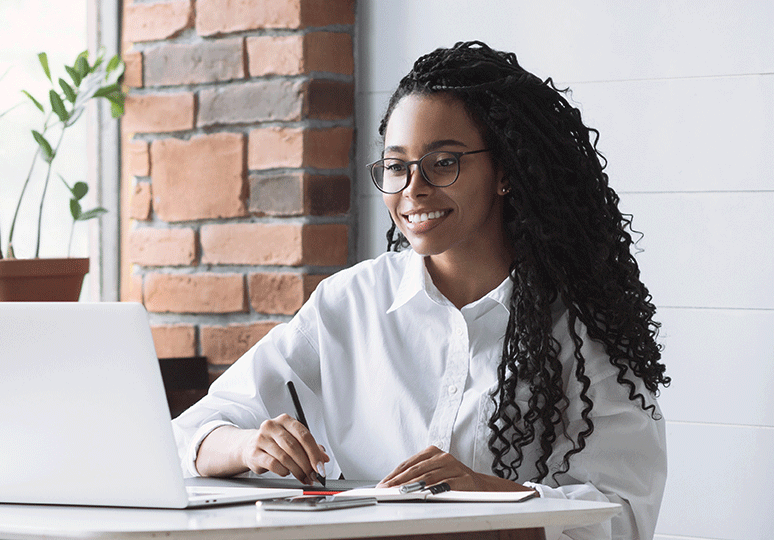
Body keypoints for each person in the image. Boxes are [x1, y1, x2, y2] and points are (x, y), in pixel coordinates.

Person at [172, 41, 670, 540]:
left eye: (443, 162)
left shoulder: (580, 325)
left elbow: (623, 513)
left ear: (505, 171)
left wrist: (485, 497)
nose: (413, 187)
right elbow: (184, 436)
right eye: (396, 166)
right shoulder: (349, 302)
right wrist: (248, 446)